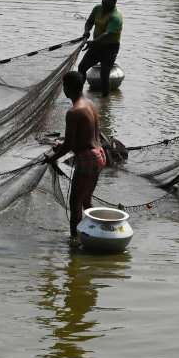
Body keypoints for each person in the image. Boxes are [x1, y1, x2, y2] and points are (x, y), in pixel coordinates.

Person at [45, 71, 106, 237]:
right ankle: (103, 230)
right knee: (86, 200)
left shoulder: (73, 112)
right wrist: (63, 144)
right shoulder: (90, 104)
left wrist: (52, 158)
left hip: (87, 158)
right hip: (99, 155)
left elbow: (70, 145)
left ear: (67, 88)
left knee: (75, 203)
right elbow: (84, 138)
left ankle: (75, 242)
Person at [79, 0, 122, 97]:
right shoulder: (97, 9)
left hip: (110, 48)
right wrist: (87, 31)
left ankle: (105, 101)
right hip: (96, 45)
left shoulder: (116, 16)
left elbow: (108, 34)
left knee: (104, 74)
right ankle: (79, 95)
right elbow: (89, 22)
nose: (103, 1)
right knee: (82, 67)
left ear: (113, 1)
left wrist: (92, 42)